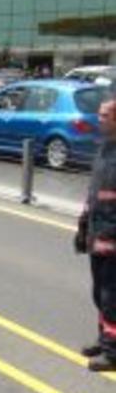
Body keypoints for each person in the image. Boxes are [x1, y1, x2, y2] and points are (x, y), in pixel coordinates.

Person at [75, 98, 116, 372]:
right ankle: (105, 340)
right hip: (97, 231)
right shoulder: (104, 148)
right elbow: (95, 190)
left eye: (104, 115)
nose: (99, 119)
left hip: (112, 235)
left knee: (112, 295)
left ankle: (113, 353)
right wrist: (83, 223)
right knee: (99, 292)